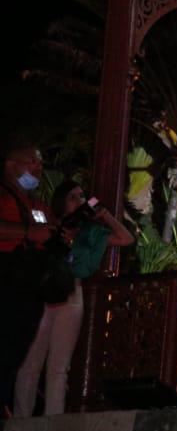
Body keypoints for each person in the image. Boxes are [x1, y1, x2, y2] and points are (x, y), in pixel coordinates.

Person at [14, 178, 133, 417]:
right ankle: (21, 421)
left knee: (59, 367)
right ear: (61, 201)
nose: (79, 201)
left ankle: (52, 423)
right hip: (44, 292)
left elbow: (126, 238)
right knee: (30, 363)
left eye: (82, 196)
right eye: (73, 197)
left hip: (71, 291)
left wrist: (104, 215)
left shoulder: (90, 233)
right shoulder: (47, 224)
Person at [1, 141, 54, 414]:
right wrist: (27, 232)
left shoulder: (38, 205)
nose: (38, 168)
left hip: (31, 286)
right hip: (6, 279)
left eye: (40, 163)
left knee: (16, 350)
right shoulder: (4, 195)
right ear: (11, 164)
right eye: (32, 161)